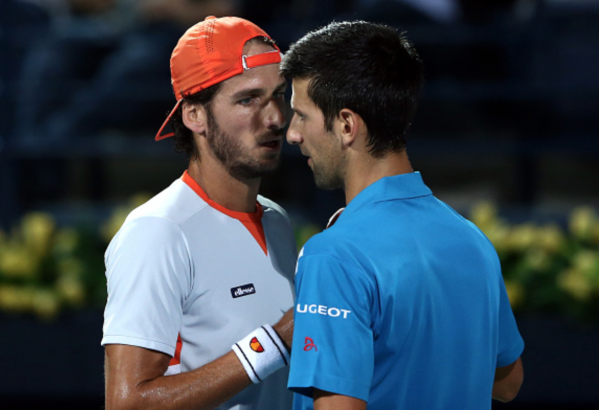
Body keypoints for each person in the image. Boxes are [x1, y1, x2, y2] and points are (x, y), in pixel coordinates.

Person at [281, 20, 524, 410]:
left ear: (346, 125)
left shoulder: (334, 255)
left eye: (301, 115)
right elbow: (509, 382)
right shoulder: (471, 239)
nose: (292, 133)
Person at [101, 16, 297, 410]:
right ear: (194, 116)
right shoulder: (158, 232)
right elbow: (127, 403)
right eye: (248, 99)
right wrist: (275, 341)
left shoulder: (276, 219)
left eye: (278, 95)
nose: (275, 117)